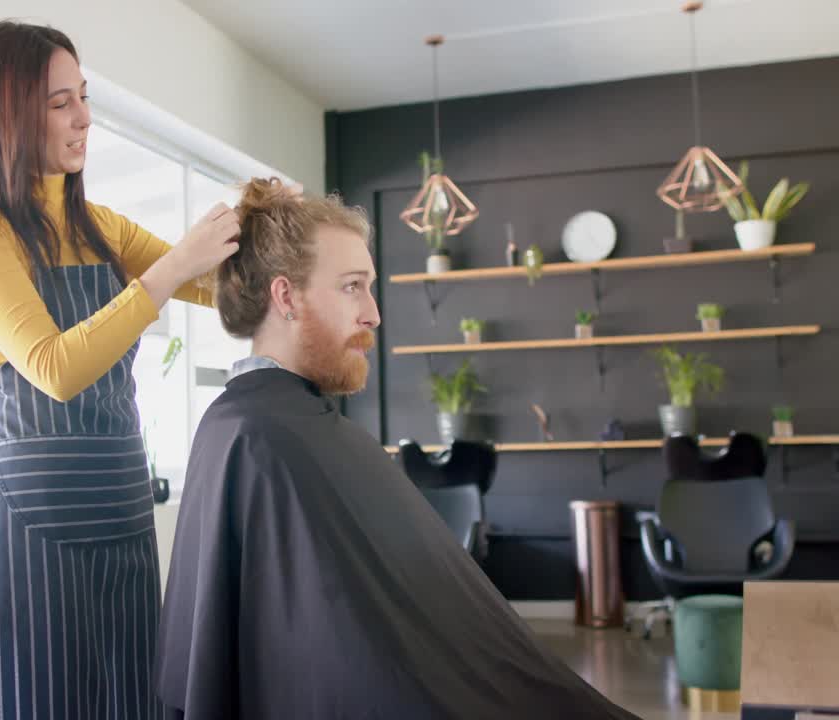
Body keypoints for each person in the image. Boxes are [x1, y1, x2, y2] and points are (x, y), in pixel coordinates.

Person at [155, 178, 639, 719]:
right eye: (352, 286)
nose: (373, 314)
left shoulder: (252, 426)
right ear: (286, 296)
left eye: (370, 287)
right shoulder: (263, 437)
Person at [0, 21, 239, 720]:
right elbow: (52, 367)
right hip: (25, 522)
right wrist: (167, 274)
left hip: (119, 504)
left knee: (131, 696)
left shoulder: (101, 227)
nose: (84, 118)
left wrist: (274, 241)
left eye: (84, 97)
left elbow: (222, 290)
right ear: (6, 111)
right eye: (60, 102)